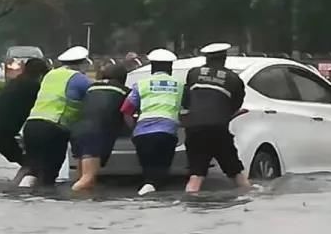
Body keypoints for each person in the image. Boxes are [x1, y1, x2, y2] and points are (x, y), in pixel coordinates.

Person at [0, 57, 50, 185]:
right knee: (32, 164)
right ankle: (17, 189)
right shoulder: (35, 88)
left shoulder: (13, 83)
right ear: (41, 75)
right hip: (4, 132)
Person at [182, 42, 250, 195]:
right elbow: (234, 106)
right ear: (225, 58)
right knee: (236, 172)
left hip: (194, 129)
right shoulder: (234, 79)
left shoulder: (193, 73)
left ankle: (191, 202)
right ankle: (247, 201)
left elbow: (187, 99)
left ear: (206, 58)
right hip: (218, 129)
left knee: (196, 175)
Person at [21, 46, 93, 186]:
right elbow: (96, 93)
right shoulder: (79, 79)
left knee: (33, 169)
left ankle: (24, 193)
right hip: (54, 128)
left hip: (31, 125)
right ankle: (47, 200)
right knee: (50, 173)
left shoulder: (50, 75)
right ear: (83, 63)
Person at [121, 48, 183, 196]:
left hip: (142, 134)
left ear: (152, 67)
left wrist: (133, 129)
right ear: (170, 68)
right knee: (161, 171)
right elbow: (187, 110)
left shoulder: (141, 84)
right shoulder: (180, 85)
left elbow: (126, 110)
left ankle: (148, 194)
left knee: (148, 171)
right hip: (167, 133)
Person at [70, 63, 130, 192]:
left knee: (81, 177)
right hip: (95, 133)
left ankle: (82, 206)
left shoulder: (91, 88)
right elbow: (128, 114)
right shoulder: (124, 91)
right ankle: (69, 203)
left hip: (77, 130)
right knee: (88, 178)